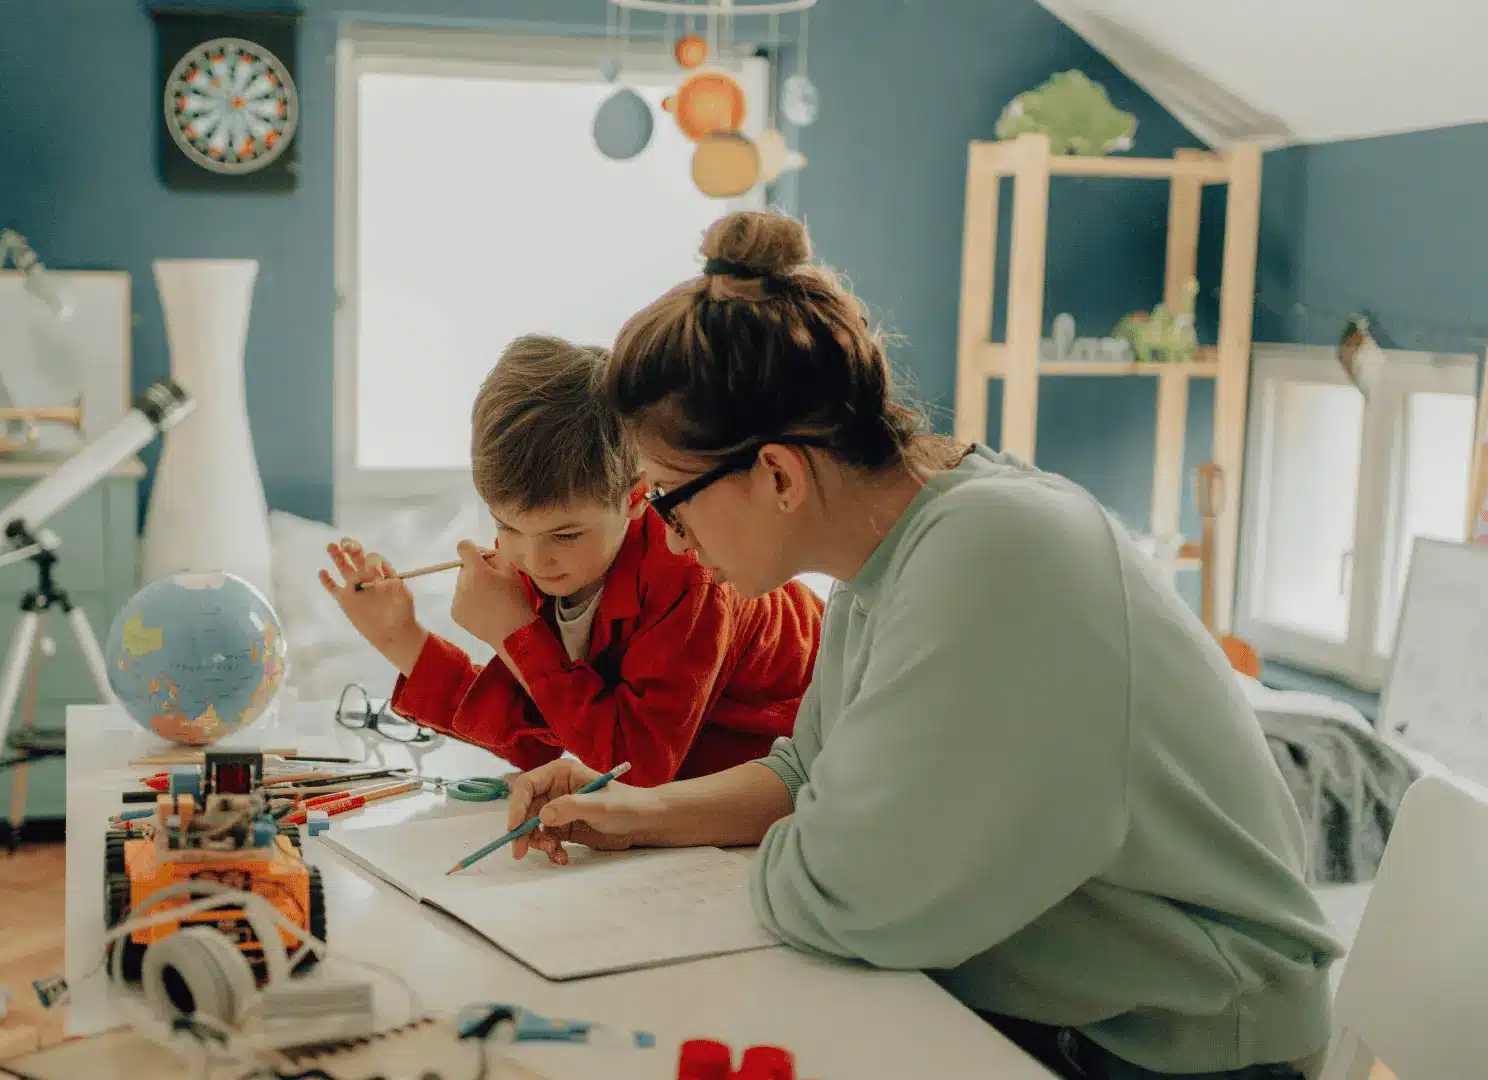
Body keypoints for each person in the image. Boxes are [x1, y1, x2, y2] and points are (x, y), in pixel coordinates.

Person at [499, 212, 1341, 1079]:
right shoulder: (885, 556)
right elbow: (803, 775)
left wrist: (819, 836)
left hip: (1176, 1045)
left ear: (779, 474)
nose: (667, 537)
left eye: (669, 499)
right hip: (1069, 1013)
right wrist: (634, 814)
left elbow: (844, 897)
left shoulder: (994, 551)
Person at [320, 334, 823, 787]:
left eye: (564, 533)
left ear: (636, 497)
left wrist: (515, 634)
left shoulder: (689, 571)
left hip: (818, 744)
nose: (535, 559)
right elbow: (537, 735)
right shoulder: (553, 561)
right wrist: (401, 638)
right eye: (507, 526)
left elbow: (636, 767)